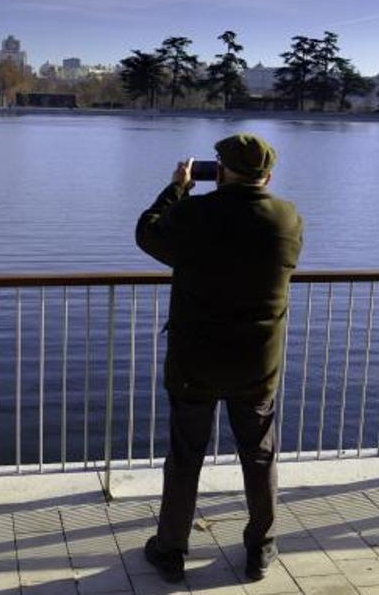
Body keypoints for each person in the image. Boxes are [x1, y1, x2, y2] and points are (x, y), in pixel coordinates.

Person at [135, 133, 303, 582]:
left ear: (221, 171)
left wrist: (177, 187)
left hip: (197, 361)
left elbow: (147, 233)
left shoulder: (193, 214)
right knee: (260, 456)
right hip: (256, 363)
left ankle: (170, 550)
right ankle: (260, 548)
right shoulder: (287, 218)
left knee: (185, 457)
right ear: (266, 175)